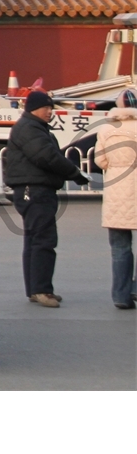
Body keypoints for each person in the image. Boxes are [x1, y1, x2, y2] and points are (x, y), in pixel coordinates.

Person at [2, 88, 86, 307]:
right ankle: (41, 290)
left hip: (33, 189)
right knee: (43, 240)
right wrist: (74, 173)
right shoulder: (30, 129)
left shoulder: (34, 128)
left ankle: (35, 289)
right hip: (35, 189)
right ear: (33, 109)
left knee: (33, 240)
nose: (50, 112)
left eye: (51, 107)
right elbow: (46, 156)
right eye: (45, 107)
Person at [92, 88, 137, 310]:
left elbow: (101, 161)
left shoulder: (107, 129)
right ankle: (135, 287)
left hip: (117, 193)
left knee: (120, 248)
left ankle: (121, 295)